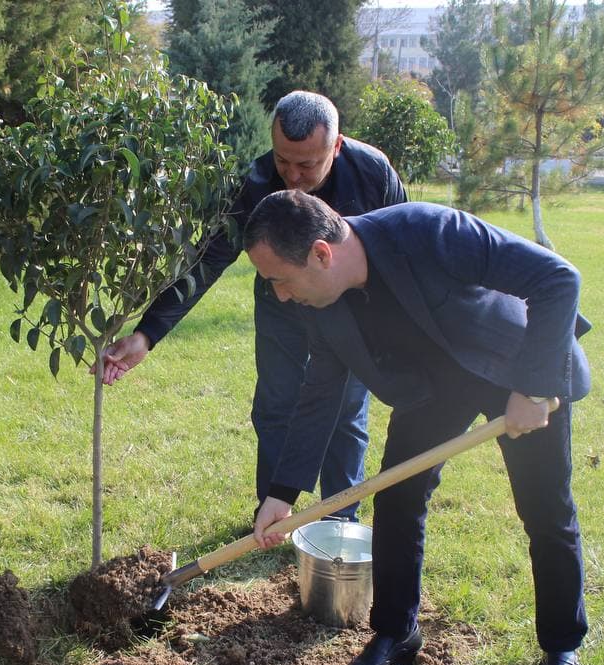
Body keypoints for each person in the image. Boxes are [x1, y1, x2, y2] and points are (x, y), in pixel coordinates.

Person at [245, 190, 592, 665]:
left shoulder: (428, 231)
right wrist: (282, 492)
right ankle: (395, 632)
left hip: (513, 366)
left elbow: (559, 278)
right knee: (398, 499)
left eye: (280, 279)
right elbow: (322, 391)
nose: (278, 295)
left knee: (545, 508)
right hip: (433, 386)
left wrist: (535, 387)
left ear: (322, 253)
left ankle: (562, 649)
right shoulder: (320, 303)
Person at [99, 91, 407, 521]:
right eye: (284, 160)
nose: (293, 176)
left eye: (307, 164)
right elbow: (206, 261)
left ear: (336, 147)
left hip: (352, 310)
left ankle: (339, 521)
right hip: (281, 303)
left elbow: (399, 251)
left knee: (345, 413)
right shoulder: (256, 181)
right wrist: (148, 333)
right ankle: (273, 515)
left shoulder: (372, 174)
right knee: (276, 403)